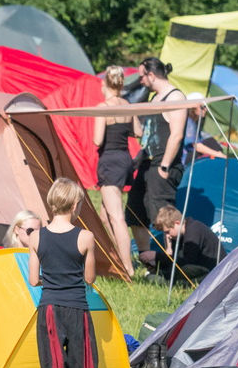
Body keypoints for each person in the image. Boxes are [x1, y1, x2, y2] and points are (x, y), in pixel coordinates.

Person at [27, 178, 97, 368]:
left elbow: (34, 280)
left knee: (53, 366)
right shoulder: (86, 237)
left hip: (49, 310)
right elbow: (89, 279)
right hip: (77, 309)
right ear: (76, 204)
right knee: (83, 365)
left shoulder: (36, 237)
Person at [125, 58, 188, 266]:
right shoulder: (154, 98)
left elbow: (176, 135)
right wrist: (131, 112)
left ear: (151, 75)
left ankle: (174, 260)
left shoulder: (176, 97)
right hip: (146, 163)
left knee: (163, 215)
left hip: (163, 164)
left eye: (142, 75)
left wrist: (164, 166)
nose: (141, 80)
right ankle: (147, 259)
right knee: (136, 211)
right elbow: (145, 133)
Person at [94, 65, 143, 278]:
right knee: (105, 215)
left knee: (116, 217)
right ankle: (118, 257)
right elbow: (139, 131)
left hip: (110, 161)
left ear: (105, 83)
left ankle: (128, 267)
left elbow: (97, 140)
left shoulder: (103, 107)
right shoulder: (127, 105)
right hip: (125, 159)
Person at [142, 205, 226, 285]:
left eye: (168, 231)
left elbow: (187, 261)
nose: (167, 235)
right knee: (146, 256)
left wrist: (164, 267)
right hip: (193, 267)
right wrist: (168, 250)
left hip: (211, 270)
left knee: (184, 269)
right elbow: (175, 257)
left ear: (177, 223)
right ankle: (162, 275)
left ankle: (167, 279)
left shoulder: (193, 231)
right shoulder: (177, 235)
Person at [183, 92, 225, 164]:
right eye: (203, 107)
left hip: (190, 153)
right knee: (211, 148)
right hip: (184, 158)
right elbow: (197, 146)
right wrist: (218, 154)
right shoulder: (189, 122)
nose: (206, 110)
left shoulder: (194, 121)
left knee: (211, 141)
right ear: (193, 107)